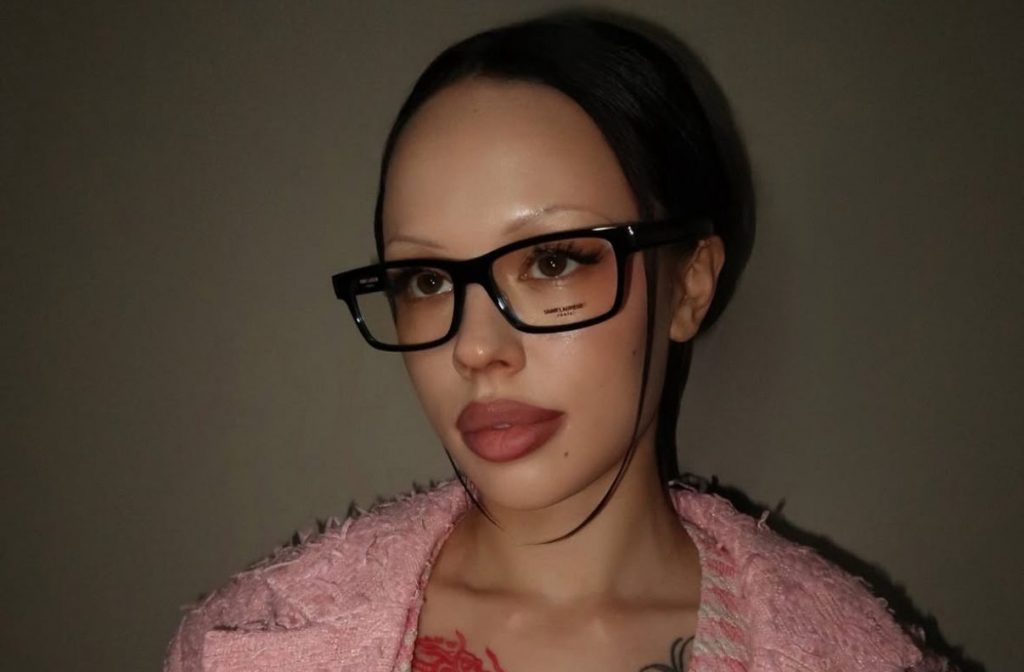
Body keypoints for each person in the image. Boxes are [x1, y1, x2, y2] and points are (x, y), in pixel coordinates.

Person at [165, 10, 952, 672]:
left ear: (689, 286)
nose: (476, 349)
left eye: (551, 262)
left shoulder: (852, 657)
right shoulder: (248, 643)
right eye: (427, 280)